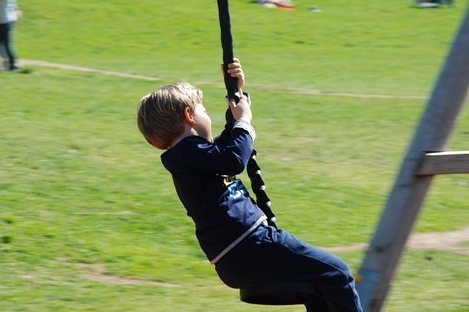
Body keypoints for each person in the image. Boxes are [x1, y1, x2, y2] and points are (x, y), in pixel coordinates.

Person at [137, 59, 363, 312]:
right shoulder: (187, 152)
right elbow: (234, 159)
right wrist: (245, 121)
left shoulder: (191, 155)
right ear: (189, 116)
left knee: (320, 286)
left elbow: (228, 146)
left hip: (239, 258)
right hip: (252, 246)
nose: (205, 115)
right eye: (202, 110)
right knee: (339, 273)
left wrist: (238, 92)